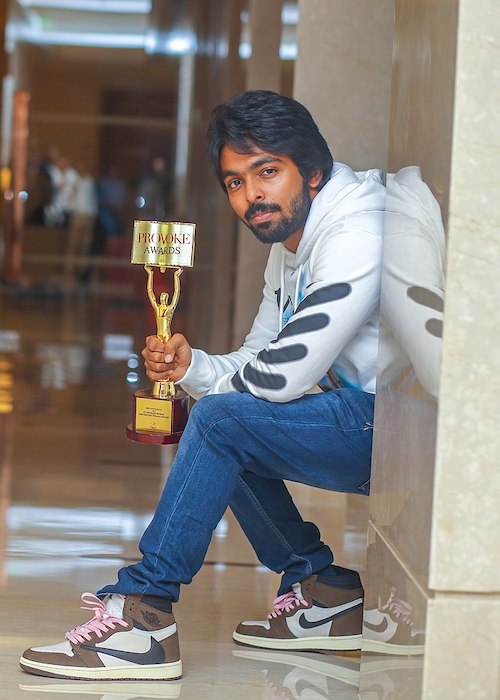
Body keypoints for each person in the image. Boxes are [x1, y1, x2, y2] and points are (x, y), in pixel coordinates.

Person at [19, 90, 384, 681]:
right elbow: (259, 358)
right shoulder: (292, 244)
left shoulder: (358, 230)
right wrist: (191, 368)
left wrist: (214, 393)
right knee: (222, 417)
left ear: (312, 171)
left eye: (267, 172)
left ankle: (144, 616)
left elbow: (286, 374)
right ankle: (325, 593)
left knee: (222, 421)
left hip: (401, 431)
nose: (251, 196)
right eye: (235, 182)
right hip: (363, 418)